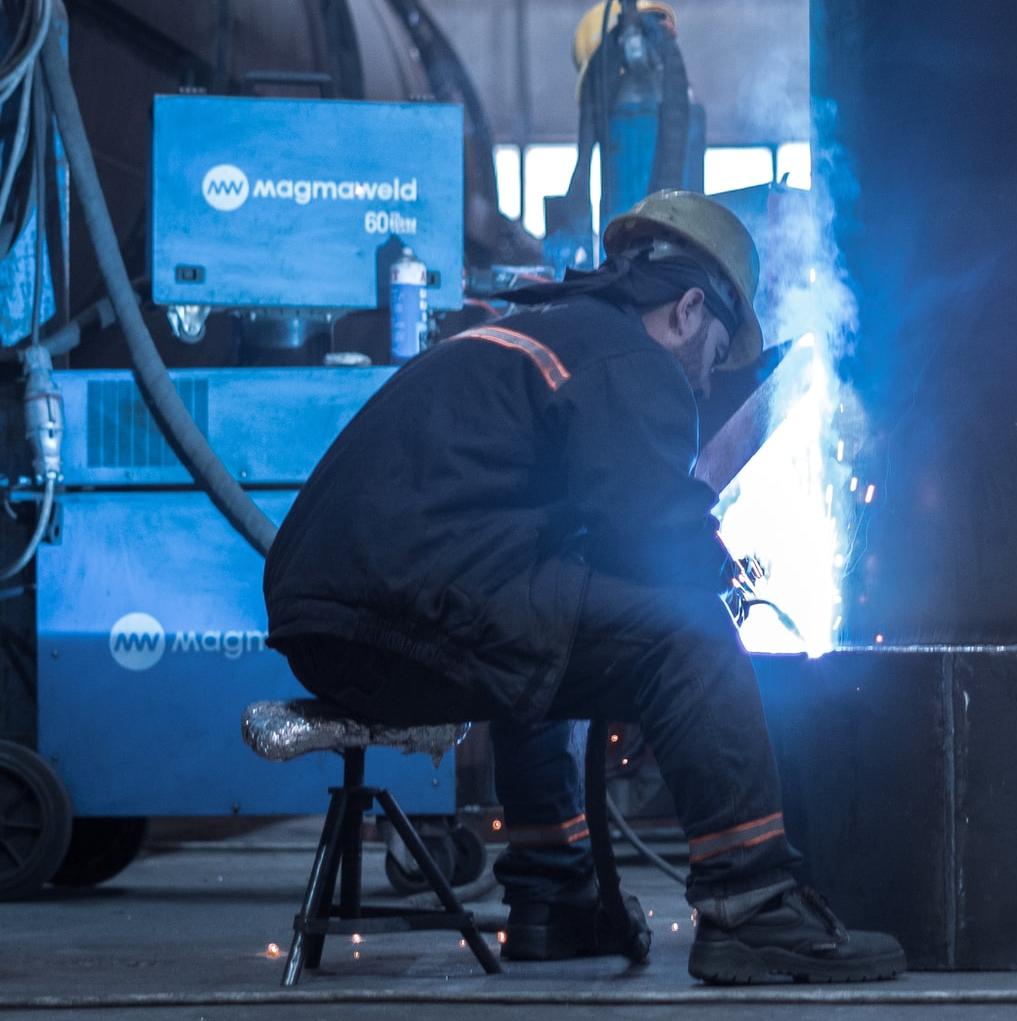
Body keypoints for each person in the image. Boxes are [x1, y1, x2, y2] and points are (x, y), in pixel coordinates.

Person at [263, 190, 905, 984]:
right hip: (397, 606)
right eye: (715, 354)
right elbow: (645, 527)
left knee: (546, 626)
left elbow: (594, 530)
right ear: (688, 309)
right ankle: (755, 907)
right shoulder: (630, 359)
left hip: (332, 623)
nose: (707, 383)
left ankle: (555, 899)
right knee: (690, 635)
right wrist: (714, 572)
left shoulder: (544, 330)